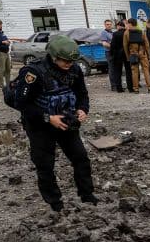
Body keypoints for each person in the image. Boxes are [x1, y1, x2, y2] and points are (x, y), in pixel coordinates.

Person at [13, 35, 96, 212]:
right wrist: (48, 118)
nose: (69, 64)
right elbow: (21, 103)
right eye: (65, 61)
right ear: (53, 56)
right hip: (40, 125)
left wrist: (83, 109)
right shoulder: (34, 73)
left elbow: (82, 93)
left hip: (66, 122)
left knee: (81, 158)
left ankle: (87, 195)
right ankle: (55, 203)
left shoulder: (74, 69)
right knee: (45, 164)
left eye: (72, 61)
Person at [123, 17, 150, 93]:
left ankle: (136, 89)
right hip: (143, 53)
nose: (127, 25)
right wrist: (149, 55)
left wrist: (127, 56)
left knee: (134, 72)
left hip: (133, 54)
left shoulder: (126, 33)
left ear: (130, 24)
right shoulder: (142, 32)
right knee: (146, 70)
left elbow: (125, 46)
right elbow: (147, 45)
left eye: (127, 23)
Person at [109, 19, 132, 93]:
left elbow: (112, 45)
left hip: (117, 55)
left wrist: (111, 54)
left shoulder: (115, 34)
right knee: (128, 71)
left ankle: (119, 88)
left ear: (118, 26)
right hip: (127, 54)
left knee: (118, 72)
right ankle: (130, 87)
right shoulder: (127, 32)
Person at [99, 19, 116, 91]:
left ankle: (117, 84)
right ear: (105, 25)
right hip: (109, 52)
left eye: (110, 24)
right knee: (111, 69)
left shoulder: (112, 32)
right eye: (107, 24)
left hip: (114, 52)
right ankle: (113, 86)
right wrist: (113, 46)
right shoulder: (104, 32)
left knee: (116, 69)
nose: (109, 25)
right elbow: (104, 43)